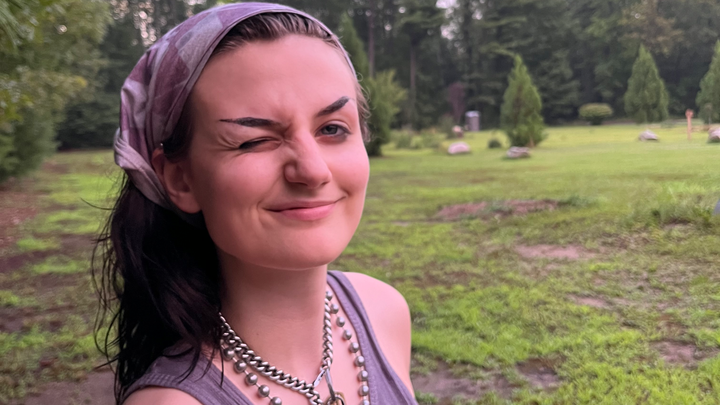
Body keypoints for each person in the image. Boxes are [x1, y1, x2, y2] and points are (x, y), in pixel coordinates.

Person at [95, 2, 416, 405]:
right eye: (254, 141)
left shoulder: (383, 312)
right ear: (180, 179)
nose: (312, 170)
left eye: (333, 129)